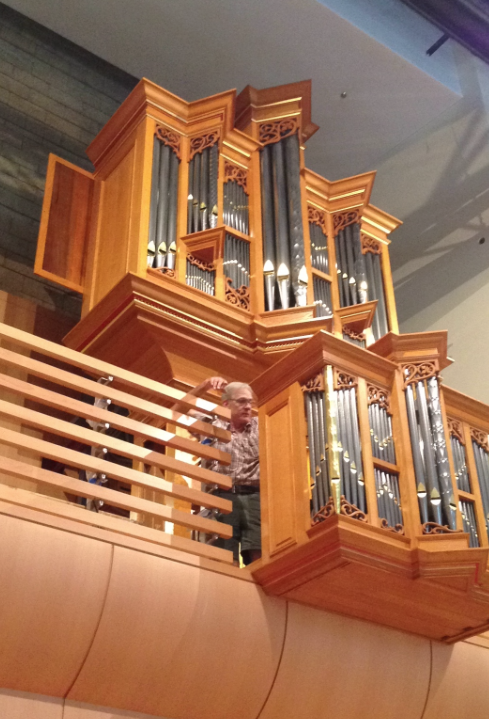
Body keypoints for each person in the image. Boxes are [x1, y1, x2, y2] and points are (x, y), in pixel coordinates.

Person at [192, 376, 261, 566]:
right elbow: (177, 408)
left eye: (249, 402)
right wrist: (204, 385)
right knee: (225, 556)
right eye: (241, 401)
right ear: (226, 404)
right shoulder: (212, 425)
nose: (248, 406)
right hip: (223, 495)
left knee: (258, 554)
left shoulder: (259, 425)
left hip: (255, 496)